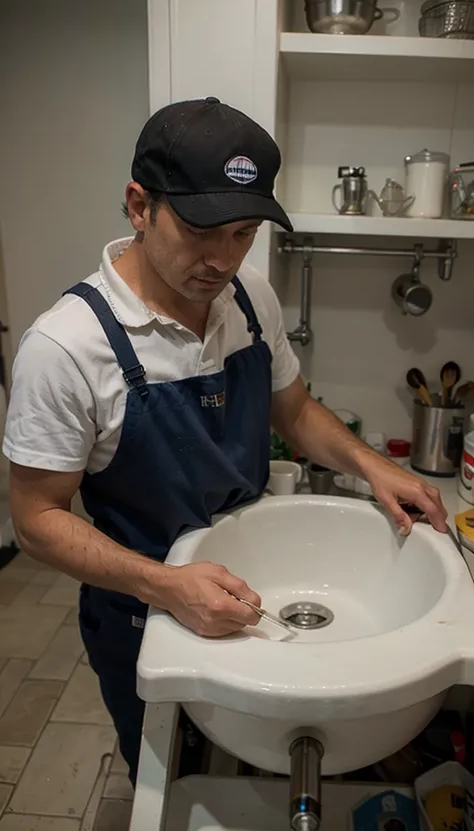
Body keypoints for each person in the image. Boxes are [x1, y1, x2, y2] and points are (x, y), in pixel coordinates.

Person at [3, 97, 447, 784]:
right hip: (144, 611)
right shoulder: (65, 346)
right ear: (138, 205)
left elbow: (293, 409)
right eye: (201, 228)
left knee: (261, 765)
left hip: (251, 577)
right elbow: (35, 522)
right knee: (176, 780)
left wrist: (368, 465)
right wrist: (169, 585)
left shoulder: (250, 299)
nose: (221, 258)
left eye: (242, 233)